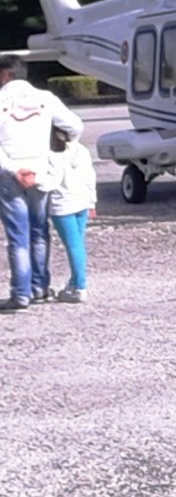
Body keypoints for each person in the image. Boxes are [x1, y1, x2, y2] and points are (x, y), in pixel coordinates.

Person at [0, 54, 84, 313]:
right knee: (39, 231)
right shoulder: (46, 99)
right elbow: (75, 126)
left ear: (5, 75)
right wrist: (56, 152)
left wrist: (15, 170)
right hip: (41, 173)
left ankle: (20, 293)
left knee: (18, 236)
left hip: (10, 174)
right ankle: (39, 288)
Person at [45, 129, 96, 303]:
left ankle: (79, 286)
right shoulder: (81, 150)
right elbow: (90, 176)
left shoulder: (49, 154)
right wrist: (92, 201)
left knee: (73, 246)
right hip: (82, 201)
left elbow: (50, 182)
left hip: (62, 205)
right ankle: (74, 281)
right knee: (78, 244)